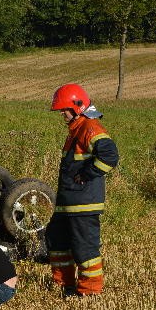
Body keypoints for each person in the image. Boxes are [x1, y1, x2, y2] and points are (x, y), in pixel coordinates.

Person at [46, 83, 118, 296]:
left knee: (84, 249)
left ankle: (90, 291)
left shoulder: (90, 128)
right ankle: (64, 286)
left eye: (64, 110)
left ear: (77, 106)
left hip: (83, 204)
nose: (62, 114)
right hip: (67, 203)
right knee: (57, 243)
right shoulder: (75, 130)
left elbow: (110, 156)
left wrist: (86, 174)